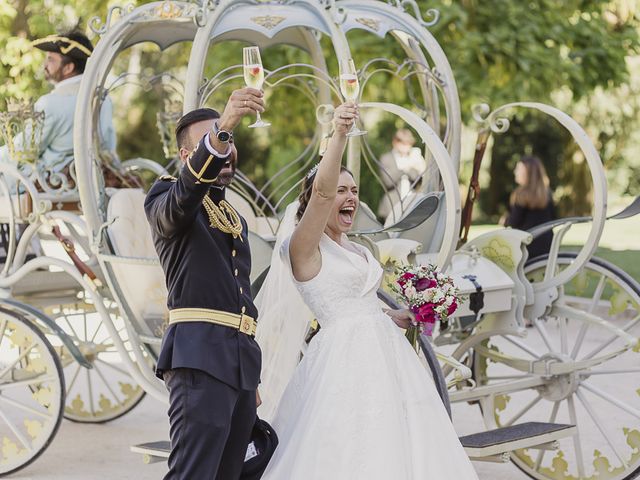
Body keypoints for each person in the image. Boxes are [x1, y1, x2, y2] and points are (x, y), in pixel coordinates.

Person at [258, 103, 479, 479]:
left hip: (386, 353)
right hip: (342, 359)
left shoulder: (356, 247)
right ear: (315, 199)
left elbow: (359, 301)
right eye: (340, 190)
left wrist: (395, 314)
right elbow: (322, 195)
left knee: (406, 440)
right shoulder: (303, 248)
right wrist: (340, 134)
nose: (350, 197)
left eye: (354, 190)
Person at [144, 89, 265, 480]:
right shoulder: (165, 198)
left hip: (239, 367)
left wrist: (250, 378)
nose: (227, 148)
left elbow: (242, 298)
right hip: (199, 359)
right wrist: (222, 128)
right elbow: (184, 199)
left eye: (230, 140)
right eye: (217, 140)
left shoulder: (234, 216)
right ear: (187, 157)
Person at [0, 31, 116, 174]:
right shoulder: (103, 98)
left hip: (53, 185)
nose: (44, 65)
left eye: (50, 59)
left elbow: (22, 150)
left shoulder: (51, 103)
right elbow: (108, 147)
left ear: (68, 68)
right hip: (93, 181)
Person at [504, 155, 555, 260]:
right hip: (547, 247)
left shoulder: (521, 194)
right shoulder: (547, 194)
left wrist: (504, 220)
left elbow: (513, 222)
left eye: (518, 169)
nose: (515, 172)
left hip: (526, 248)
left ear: (528, 173)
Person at [377, 128, 426, 220]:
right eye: (403, 143)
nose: (406, 147)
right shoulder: (386, 158)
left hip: (412, 202)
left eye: (408, 144)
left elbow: (423, 175)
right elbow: (388, 181)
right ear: (395, 142)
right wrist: (405, 167)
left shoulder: (415, 156)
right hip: (391, 205)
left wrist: (416, 159)